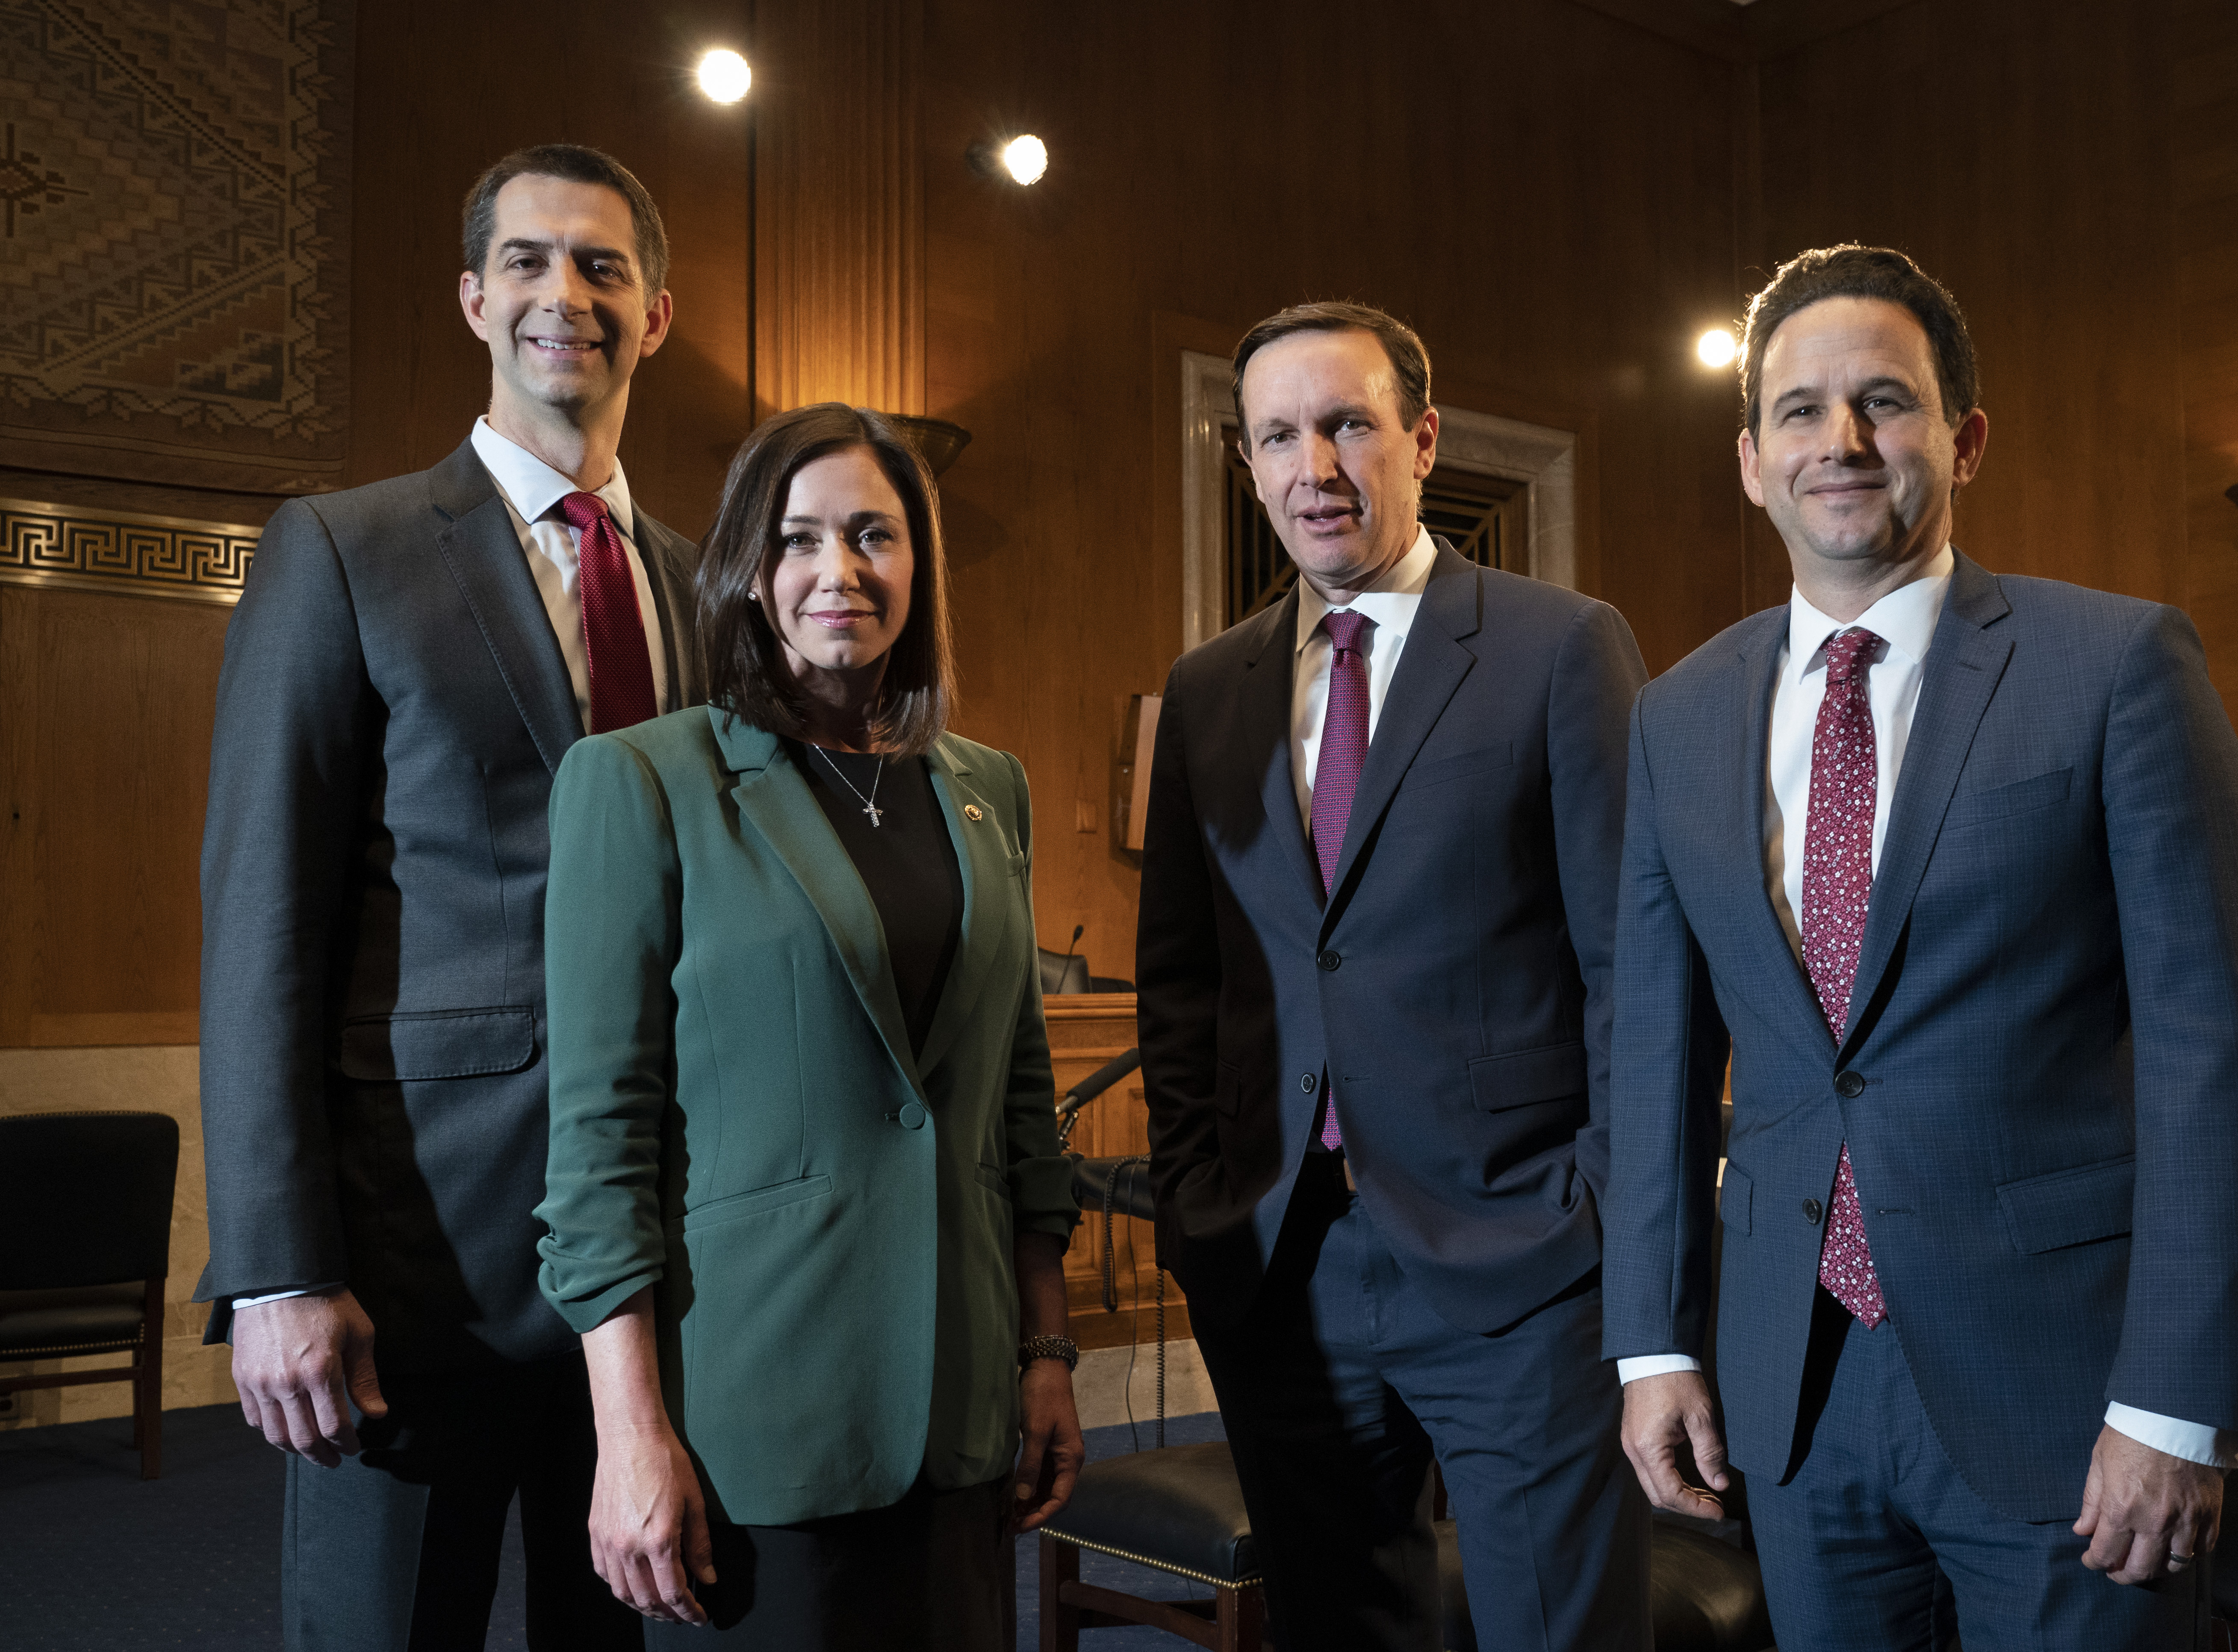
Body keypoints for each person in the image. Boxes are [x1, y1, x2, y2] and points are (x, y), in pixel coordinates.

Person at [1605, 244, 2238, 1649]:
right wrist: (1655, 1340)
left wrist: (2176, 1401)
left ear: (1965, 439)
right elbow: (1654, 1058)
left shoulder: (2115, 667)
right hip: (1791, 1385)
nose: (1841, 443)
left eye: (1886, 402)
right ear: (1750, 460)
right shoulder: (1676, 716)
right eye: (1800, 411)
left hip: (2069, 1386)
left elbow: (2213, 1050)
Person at [194, 144, 699, 1649]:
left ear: (655, 314)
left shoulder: (704, 585)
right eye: (532, 263)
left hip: (660, 1269)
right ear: (476, 301)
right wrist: (279, 1261)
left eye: (604, 267)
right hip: (415, 1269)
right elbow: (260, 922)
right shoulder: (341, 550)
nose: (568, 296)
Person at [1136, 301, 1651, 1650]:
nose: (1316, 466)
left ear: (1421, 441)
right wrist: (1200, 1205)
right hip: (1283, 1264)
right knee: (1340, 1628)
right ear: (1247, 466)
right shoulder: (1207, 690)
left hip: (1520, 1259)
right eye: (1279, 436)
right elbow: (1182, 982)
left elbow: (1632, 973)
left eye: (1349, 424)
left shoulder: (1559, 646)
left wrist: (1599, 1215)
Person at [533, 402, 1083, 1646]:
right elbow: (600, 1139)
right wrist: (628, 1436)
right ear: (746, 569)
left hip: (962, 1406)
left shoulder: (988, 788)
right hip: (758, 1416)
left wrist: (1045, 1350)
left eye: (875, 535)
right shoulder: (640, 783)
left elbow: (1019, 1098)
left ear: (919, 568)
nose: (839, 571)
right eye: (799, 539)